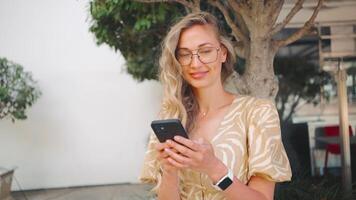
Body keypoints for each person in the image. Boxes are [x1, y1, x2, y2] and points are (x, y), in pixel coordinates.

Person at [140, 12, 292, 200]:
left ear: (223, 53)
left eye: (205, 51)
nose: (195, 63)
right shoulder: (171, 115)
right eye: (185, 54)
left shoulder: (257, 113)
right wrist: (169, 172)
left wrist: (214, 168)